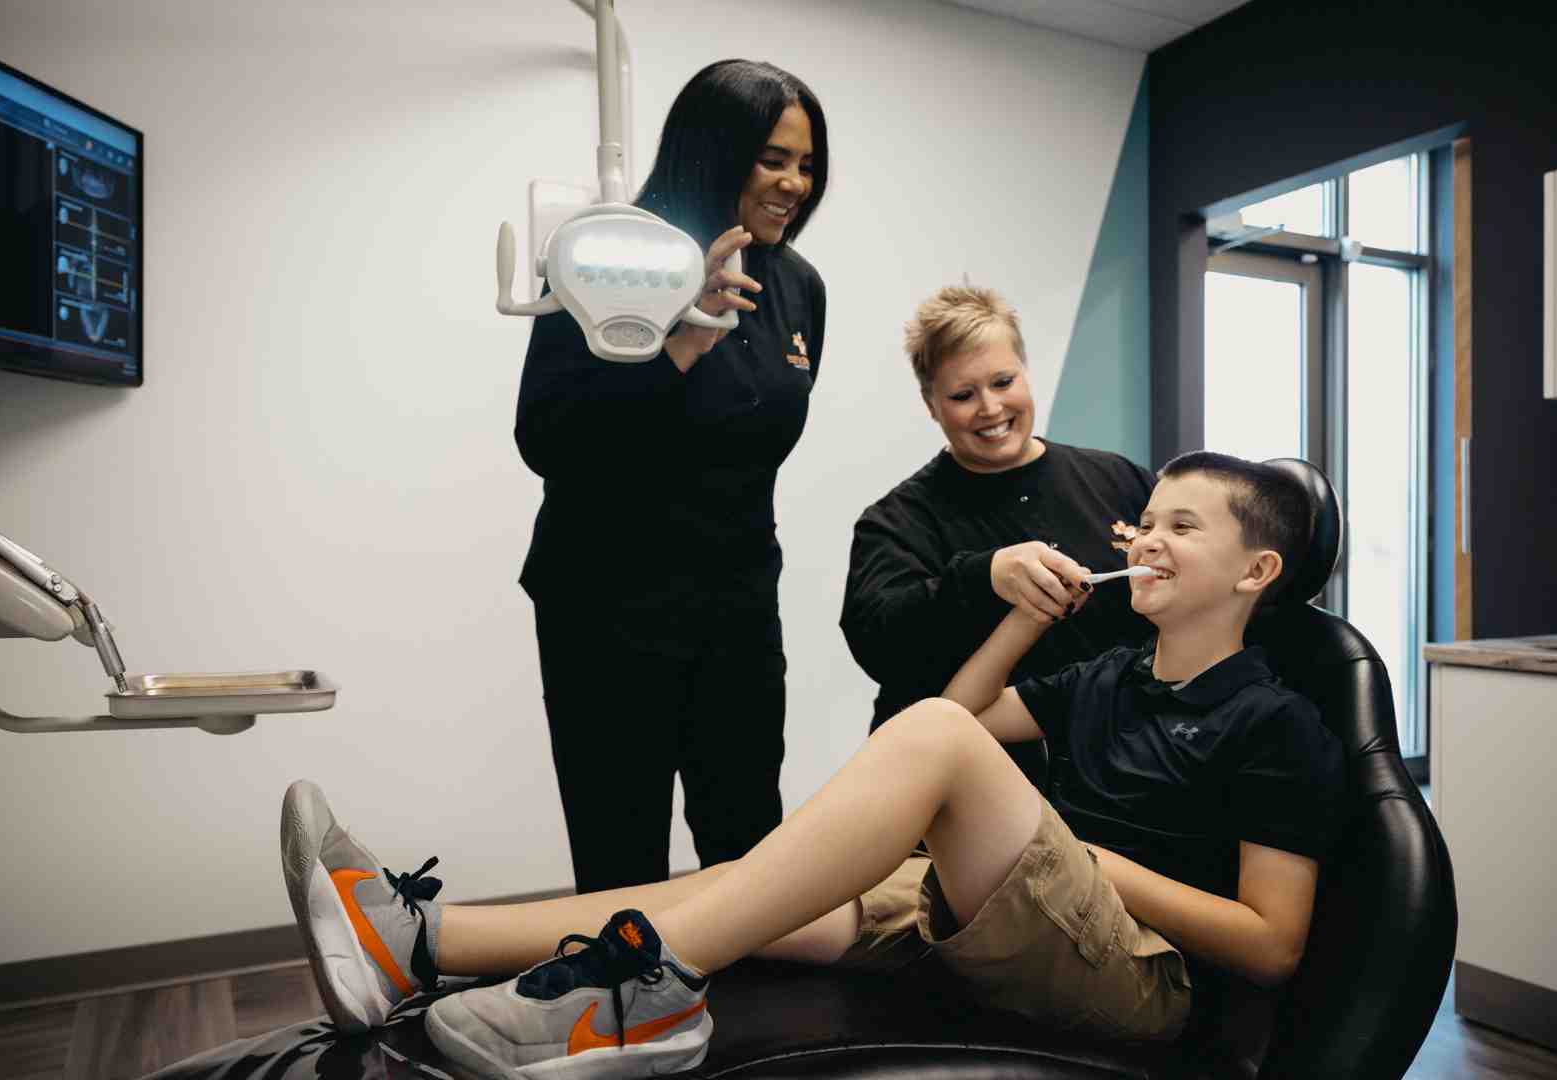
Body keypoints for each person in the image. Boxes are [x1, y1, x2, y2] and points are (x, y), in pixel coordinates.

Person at [280, 452, 1347, 1078]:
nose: (1146, 540)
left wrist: (1104, 868)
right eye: (1144, 521)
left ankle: (648, 993)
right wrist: (1026, 618)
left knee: (929, 743)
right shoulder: (1110, 673)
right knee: (745, 888)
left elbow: (1272, 946)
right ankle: (418, 939)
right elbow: (960, 715)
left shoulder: (1277, 720)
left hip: (1142, 977)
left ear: (1256, 570)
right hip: (1031, 917)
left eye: (1181, 528)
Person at [514, 60, 829, 893]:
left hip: (737, 609)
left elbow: (757, 441)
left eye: (805, 164)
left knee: (748, 844)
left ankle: (746, 987)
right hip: (608, 608)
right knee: (620, 855)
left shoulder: (798, 286)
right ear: (712, 150)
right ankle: (624, 982)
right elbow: (547, 440)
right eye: (772, 159)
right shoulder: (607, 259)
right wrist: (683, 345)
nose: (795, 184)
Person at [843, 285, 1157, 735]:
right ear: (931, 405)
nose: (990, 408)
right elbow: (879, 643)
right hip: (969, 759)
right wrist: (984, 577)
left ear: (1025, 372)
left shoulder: (1120, 479)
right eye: (962, 395)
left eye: (1003, 382)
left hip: (1124, 751)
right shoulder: (897, 522)